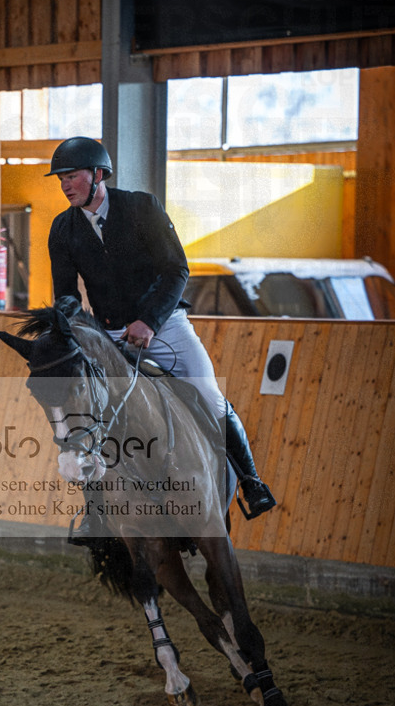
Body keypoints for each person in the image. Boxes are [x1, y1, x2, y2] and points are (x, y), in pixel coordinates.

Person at [46, 135, 276, 539]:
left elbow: (177, 270)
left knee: (208, 394)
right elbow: (65, 294)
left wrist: (149, 321)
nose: (66, 185)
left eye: (72, 176)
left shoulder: (141, 208)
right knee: (91, 419)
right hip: (108, 333)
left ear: (98, 175)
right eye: (61, 178)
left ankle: (252, 482)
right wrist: (77, 333)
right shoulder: (63, 229)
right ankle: (95, 513)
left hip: (165, 324)